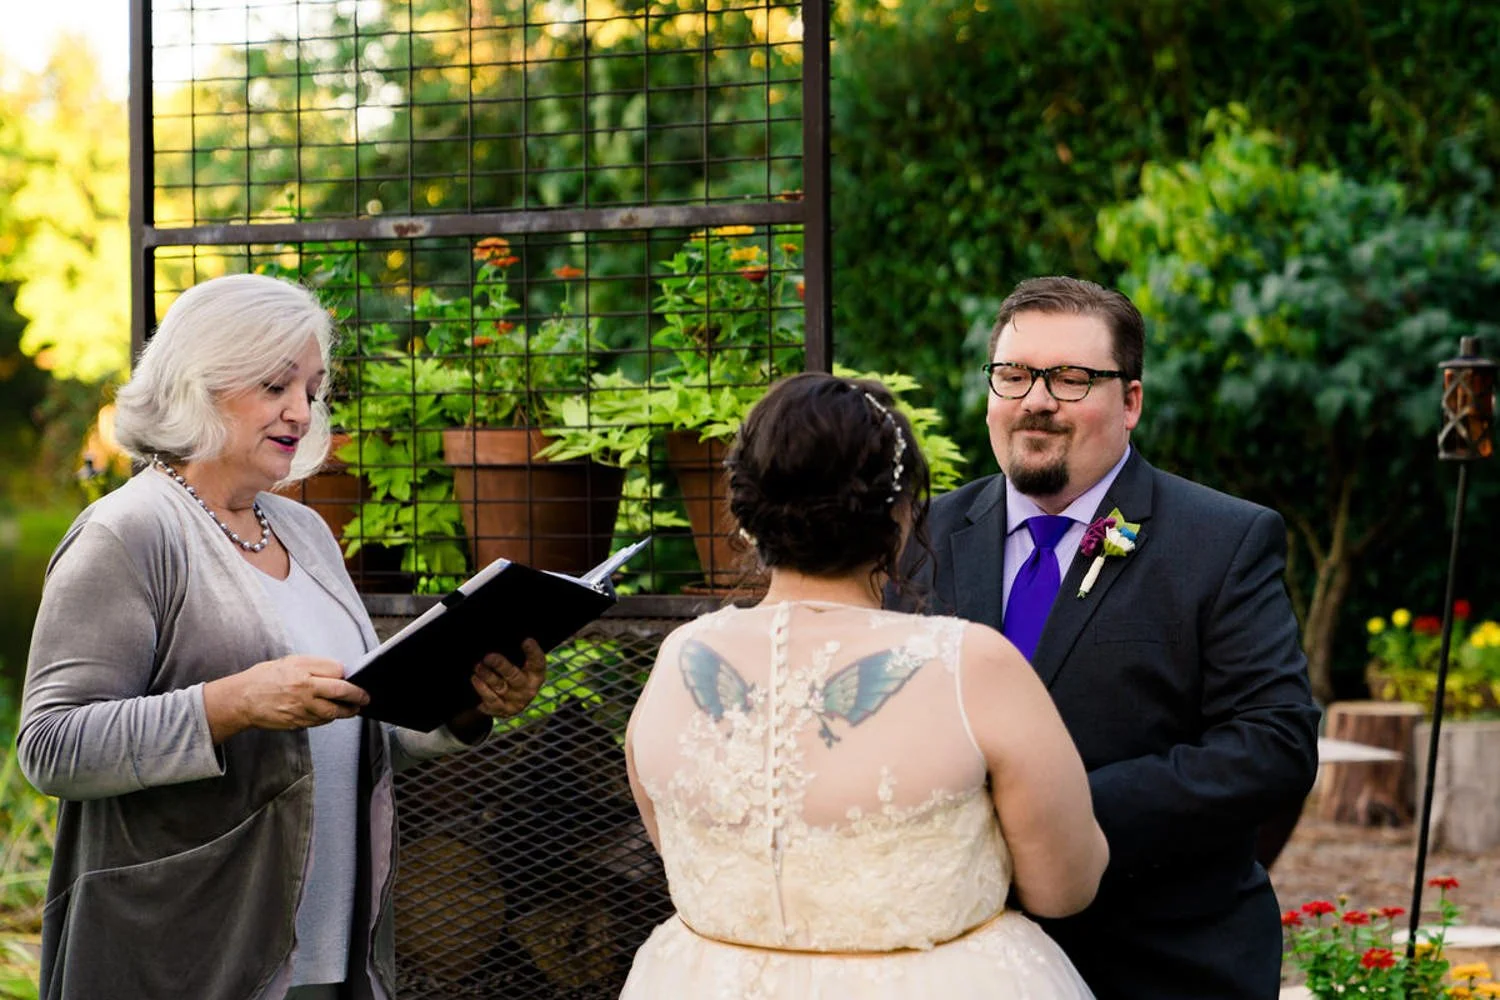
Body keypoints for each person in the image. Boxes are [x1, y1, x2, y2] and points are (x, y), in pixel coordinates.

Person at [18, 273, 548, 1000]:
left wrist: (466, 704)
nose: (301, 411)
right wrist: (232, 704)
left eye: (313, 389)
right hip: (186, 958)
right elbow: (53, 747)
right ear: (200, 383)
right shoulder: (128, 532)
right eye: (275, 386)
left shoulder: (304, 530)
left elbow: (352, 728)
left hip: (327, 955)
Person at [620, 372, 1109, 999]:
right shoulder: (971, 664)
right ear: (899, 514)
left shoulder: (680, 659)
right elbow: (1064, 888)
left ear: (745, 514)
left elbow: (681, 849)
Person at [912, 276, 1320, 999]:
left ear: (1130, 401)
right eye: (1014, 375)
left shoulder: (1223, 541)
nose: (1037, 400)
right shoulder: (921, 536)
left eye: (1071, 379)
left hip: (1161, 965)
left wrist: (1062, 811)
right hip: (959, 967)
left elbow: (1273, 743)